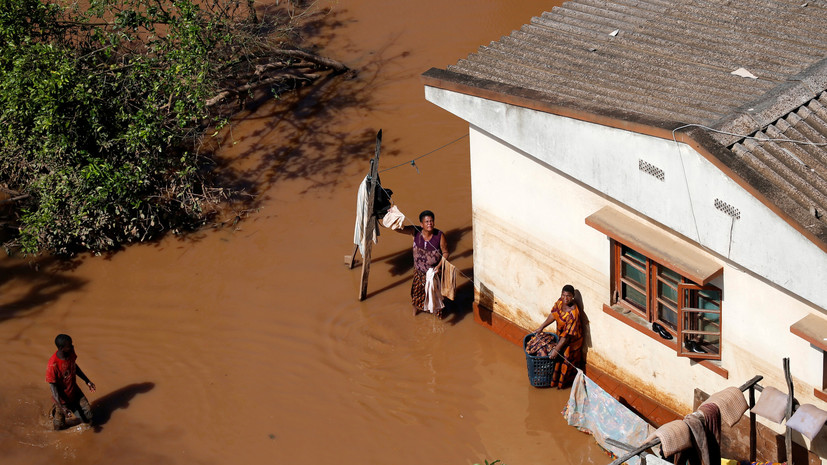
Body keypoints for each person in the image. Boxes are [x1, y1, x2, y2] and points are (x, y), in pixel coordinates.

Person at [526, 284, 583, 388]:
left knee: (566, 364)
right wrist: (541, 327)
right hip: (561, 337)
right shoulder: (560, 302)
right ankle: (554, 382)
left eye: (568, 296)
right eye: (563, 295)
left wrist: (556, 349)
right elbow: (553, 314)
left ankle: (564, 385)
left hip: (571, 342)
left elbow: (566, 336)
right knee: (557, 360)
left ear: (573, 297)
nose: (565, 298)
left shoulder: (573, 314)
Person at [399, 210, 449, 317]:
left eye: (431, 221)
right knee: (416, 295)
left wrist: (438, 266)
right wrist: (393, 214)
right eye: (426, 222)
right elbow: (398, 229)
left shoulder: (439, 236)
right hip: (419, 272)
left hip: (434, 274)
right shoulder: (415, 232)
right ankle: (414, 315)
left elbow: (445, 253)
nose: (429, 223)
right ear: (421, 224)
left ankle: (438, 319)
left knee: (436, 298)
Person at [46, 334, 96, 430]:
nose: (72, 346)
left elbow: (74, 366)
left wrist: (87, 381)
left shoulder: (70, 352)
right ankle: (55, 410)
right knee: (58, 427)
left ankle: (73, 410)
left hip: (74, 390)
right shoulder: (53, 365)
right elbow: (53, 388)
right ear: (62, 348)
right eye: (69, 345)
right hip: (62, 398)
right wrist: (61, 406)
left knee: (88, 416)